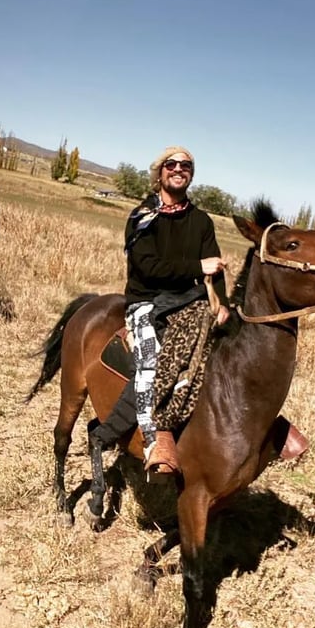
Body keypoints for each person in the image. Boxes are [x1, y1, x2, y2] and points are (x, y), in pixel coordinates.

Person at [89, 147, 230, 475]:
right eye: (172, 164)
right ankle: (150, 438)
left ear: (191, 174)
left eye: (186, 165)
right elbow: (148, 268)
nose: (178, 169)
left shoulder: (202, 221)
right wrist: (197, 265)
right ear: (160, 173)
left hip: (191, 302)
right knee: (151, 358)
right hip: (146, 302)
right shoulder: (142, 217)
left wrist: (220, 302)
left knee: (227, 353)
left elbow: (216, 269)